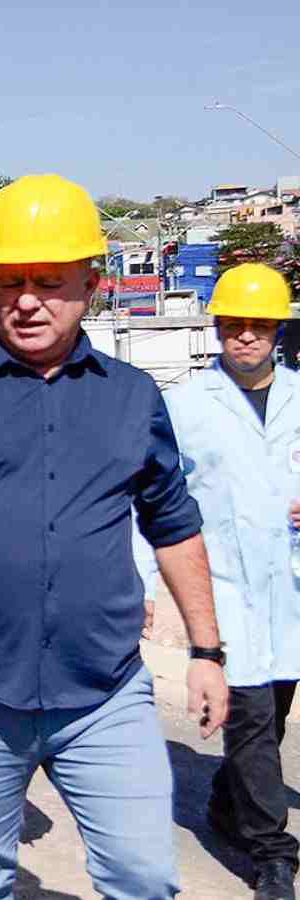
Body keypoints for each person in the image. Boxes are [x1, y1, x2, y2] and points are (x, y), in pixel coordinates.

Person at [0, 174, 229, 899]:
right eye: (9, 281)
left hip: (104, 692)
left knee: (144, 877)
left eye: (49, 283)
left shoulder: (131, 396)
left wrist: (208, 652)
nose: (25, 300)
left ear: (91, 285)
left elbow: (174, 525)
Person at [138, 263, 298, 900]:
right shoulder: (184, 406)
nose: (246, 336)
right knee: (250, 713)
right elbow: (151, 498)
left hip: (288, 585)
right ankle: (274, 855)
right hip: (223, 585)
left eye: (259, 325)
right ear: (219, 327)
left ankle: (229, 808)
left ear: (278, 331)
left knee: (275, 710)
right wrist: (144, 582)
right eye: (235, 324)